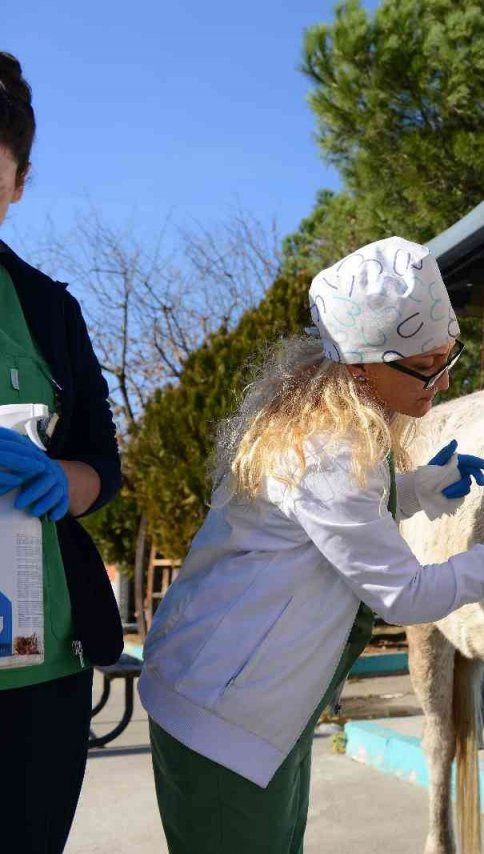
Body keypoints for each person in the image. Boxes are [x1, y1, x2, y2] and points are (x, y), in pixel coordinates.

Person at [139, 234, 484, 852]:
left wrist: (419, 488)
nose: (443, 383)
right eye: (426, 368)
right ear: (365, 364)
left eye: (449, 358)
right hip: (222, 717)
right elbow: (405, 595)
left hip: (252, 707)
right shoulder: (328, 450)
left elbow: (326, 520)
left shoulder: (330, 426)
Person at [0, 52, 124, 852]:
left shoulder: (49, 310)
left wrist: (61, 481)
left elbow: (103, 466)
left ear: (17, 181)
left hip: (37, 679)